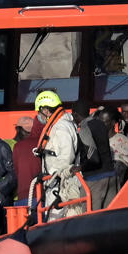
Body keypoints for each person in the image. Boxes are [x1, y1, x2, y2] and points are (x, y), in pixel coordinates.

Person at [33, 91, 85, 219]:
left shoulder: (61, 127)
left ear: (45, 110)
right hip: (56, 183)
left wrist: (53, 174)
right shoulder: (60, 125)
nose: (39, 116)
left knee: (55, 220)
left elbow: (67, 157)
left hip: (60, 185)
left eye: (39, 112)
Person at [11, 115, 42, 205]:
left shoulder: (18, 146)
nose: (29, 134)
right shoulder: (8, 145)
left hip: (24, 196)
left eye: (31, 131)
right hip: (18, 196)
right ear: (18, 129)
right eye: (27, 131)